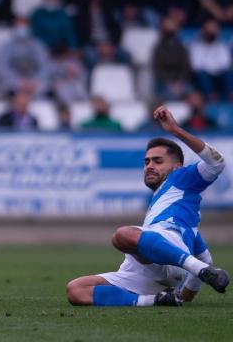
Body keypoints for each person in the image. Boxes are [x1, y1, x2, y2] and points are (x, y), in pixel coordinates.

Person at [66, 106, 230, 307]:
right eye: (146, 162)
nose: (149, 166)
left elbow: (217, 163)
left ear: (177, 165)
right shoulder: (168, 205)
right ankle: (154, 300)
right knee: (75, 290)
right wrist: (187, 295)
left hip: (168, 254)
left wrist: (175, 131)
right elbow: (205, 257)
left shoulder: (182, 177)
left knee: (122, 235)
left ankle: (193, 271)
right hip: (144, 270)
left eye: (157, 161)